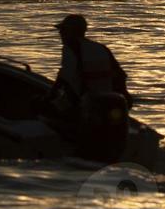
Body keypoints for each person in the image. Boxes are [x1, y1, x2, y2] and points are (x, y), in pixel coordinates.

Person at [48, 14, 131, 160]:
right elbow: (121, 76)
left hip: (84, 106)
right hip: (106, 105)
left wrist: (47, 99)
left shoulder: (70, 48)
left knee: (39, 106)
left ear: (72, 31)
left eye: (63, 30)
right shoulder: (101, 48)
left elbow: (64, 81)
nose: (60, 33)